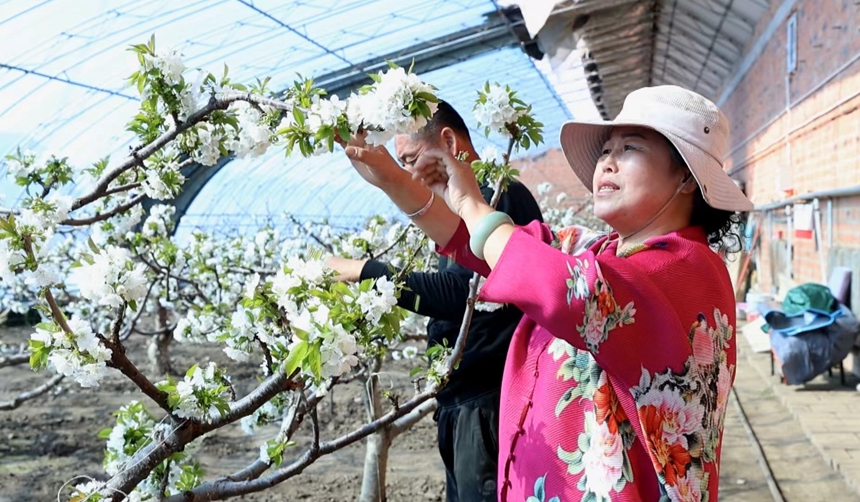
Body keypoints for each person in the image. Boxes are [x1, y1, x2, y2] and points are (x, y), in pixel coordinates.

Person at [340, 85, 753, 502]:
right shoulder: (598, 250)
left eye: (630, 147)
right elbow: (488, 248)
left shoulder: (686, 267)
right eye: (605, 150)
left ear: (685, 176)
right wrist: (392, 180)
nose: (606, 161)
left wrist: (471, 203)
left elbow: (570, 291)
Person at [329, 101, 543, 502]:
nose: (409, 175)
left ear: (447, 141)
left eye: (410, 160)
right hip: (462, 405)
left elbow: (463, 294)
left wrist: (365, 271)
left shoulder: (501, 196)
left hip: (488, 404)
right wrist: (384, 177)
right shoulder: (461, 210)